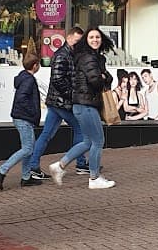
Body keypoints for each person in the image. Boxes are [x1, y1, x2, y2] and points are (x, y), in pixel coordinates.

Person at [47, 27, 115, 189]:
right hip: (87, 105)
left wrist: (104, 76)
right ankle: (94, 178)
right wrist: (103, 77)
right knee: (98, 141)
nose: (95, 40)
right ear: (86, 40)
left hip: (82, 105)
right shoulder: (89, 58)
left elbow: (107, 78)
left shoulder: (91, 57)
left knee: (87, 141)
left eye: (97, 37)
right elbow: (96, 81)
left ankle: (59, 166)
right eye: (91, 37)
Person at [24, 27, 89, 183]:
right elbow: (58, 80)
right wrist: (72, 95)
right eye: (76, 40)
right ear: (68, 38)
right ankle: (80, 164)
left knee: (46, 135)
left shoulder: (70, 54)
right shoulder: (62, 55)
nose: (79, 43)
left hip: (56, 102)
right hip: (62, 103)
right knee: (80, 129)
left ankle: (33, 166)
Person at [0, 53, 43, 190]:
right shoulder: (29, 80)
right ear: (35, 66)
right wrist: (32, 111)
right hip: (24, 118)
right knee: (27, 148)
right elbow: (22, 98)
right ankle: (2, 170)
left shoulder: (23, 78)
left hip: (22, 117)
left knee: (29, 148)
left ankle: (26, 177)